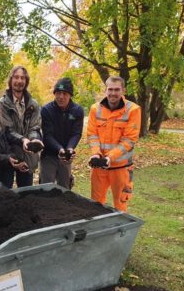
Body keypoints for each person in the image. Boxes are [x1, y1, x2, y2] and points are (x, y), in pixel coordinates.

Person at [87, 76, 141, 212]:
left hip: (121, 168)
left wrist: (109, 157)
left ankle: (121, 232)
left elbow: (129, 140)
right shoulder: (95, 109)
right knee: (95, 205)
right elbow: (92, 135)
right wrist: (95, 154)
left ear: (123, 90)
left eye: (117, 89)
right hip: (99, 167)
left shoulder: (133, 110)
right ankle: (98, 230)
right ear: (105, 90)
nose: (113, 93)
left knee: (121, 204)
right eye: (110, 89)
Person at [0, 65, 43, 187]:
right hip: (8, 155)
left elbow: (35, 127)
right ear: (11, 80)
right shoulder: (2, 104)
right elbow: (7, 130)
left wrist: (34, 140)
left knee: (26, 195)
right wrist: (23, 140)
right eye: (16, 77)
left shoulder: (33, 104)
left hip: (27, 156)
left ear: (26, 81)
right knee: (5, 193)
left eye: (23, 78)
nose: (19, 81)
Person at [39, 77, 84, 189]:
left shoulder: (77, 110)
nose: (61, 97)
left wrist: (69, 149)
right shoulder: (46, 110)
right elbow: (47, 134)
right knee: (46, 188)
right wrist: (59, 149)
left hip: (66, 156)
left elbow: (76, 133)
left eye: (65, 93)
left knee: (65, 188)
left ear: (70, 95)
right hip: (49, 155)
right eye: (58, 93)